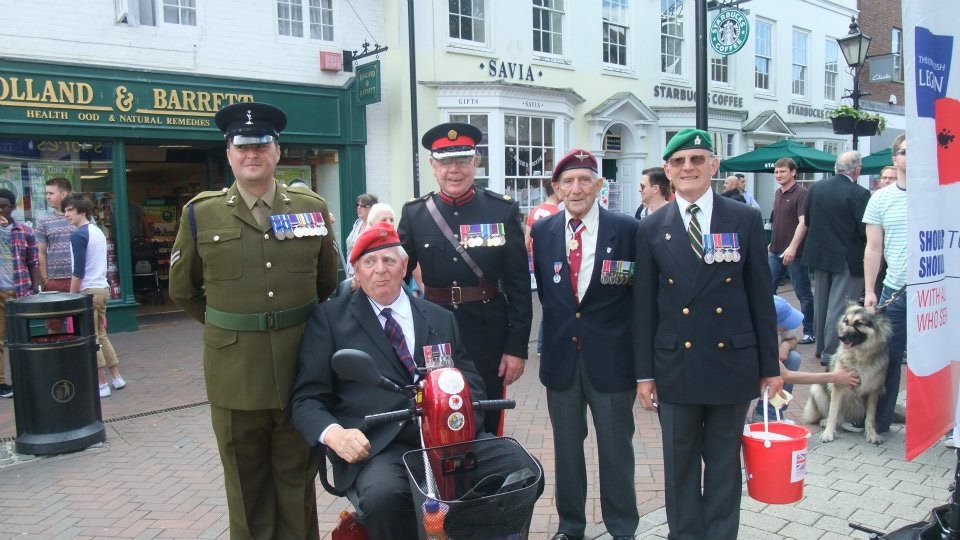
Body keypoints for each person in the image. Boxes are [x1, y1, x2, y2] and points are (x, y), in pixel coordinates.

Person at [168, 102, 338, 540]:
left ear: (277, 152)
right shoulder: (200, 213)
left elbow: (326, 282)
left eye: (261, 145)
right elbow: (183, 290)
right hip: (234, 374)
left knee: (297, 481)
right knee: (245, 487)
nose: (252, 154)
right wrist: (231, 327)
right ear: (229, 154)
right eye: (242, 146)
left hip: (298, 367)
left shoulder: (310, 207)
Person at [290, 222, 486, 539]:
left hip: (449, 439)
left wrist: (463, 421)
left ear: (404, 266)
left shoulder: (439, 317)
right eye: (370, 262)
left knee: (517, 472)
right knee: (385, 498)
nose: (380, 271)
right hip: (379, 447)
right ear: (355, 269)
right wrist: (335, 434)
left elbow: (471, 381)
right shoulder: (330, 319)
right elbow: (306, 399)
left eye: (389, 261)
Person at [633, 129, 782, 539]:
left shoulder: (745, 219)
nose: (688, 168)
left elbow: (760, 298)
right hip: (674, 366)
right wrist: (644, 374)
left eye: (698, 159)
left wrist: (770, 367)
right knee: (679, 467)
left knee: (722, 467)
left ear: (714, 165)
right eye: (679, 162)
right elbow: (643, 307)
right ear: (667, 170)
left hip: (731, 363)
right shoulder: (650, 227)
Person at [531, 148, 639, 540]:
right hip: (562, 360)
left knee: (616, 451)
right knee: (567, 452)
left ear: (598, 185)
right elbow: (548, 295)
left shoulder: (626, 230)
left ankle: (622, 527)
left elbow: (638, 299)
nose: (576, 189)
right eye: (567, 182)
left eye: (584, 180)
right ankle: (570, 526)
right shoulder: (542, 232)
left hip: (611, 361)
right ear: (557, 189)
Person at [398, 122, 532, 435]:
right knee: (437, 415)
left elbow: (518, 286)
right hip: (434, 333)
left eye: (461, 160)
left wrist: (516, 348)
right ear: (433, 166)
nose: (453, 170)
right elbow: (396, 273)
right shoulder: (415, 214)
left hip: (487, 333)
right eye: (444, 162)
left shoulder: (502, 211)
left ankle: (487, 480)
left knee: (486, 414)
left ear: (475, 162)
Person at [845, 135, 908, 435]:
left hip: (936, 292)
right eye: (905, 152)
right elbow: (873, 247)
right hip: (896, 292)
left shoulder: (941, 194)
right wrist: (870, 290)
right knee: (890, 358)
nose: (911, 157)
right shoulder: (881, 199)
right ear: (895, 159)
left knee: (942, 359)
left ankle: (946, 424)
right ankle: (880, 420)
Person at [801, 151, 870, 365]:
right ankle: (831, 352)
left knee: (821, 304)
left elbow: (809, 220)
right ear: (856, 170)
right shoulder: (859, 193)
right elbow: (864, 229)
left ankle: (821, 347)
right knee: (839, 307)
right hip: (848, 257)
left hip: (820, 254)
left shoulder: (816, 188)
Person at [750, 296, 860, 422]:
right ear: (768, 321)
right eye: (784, 324)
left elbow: (793, 340)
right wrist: (835, 377)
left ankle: (769, 414)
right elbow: (786, 375)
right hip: (740, 377)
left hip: (761, 366)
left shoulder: (777, 325)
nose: (787, 327)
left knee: (793, 358)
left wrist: (786, 345)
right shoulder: (756, 337)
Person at [63, 194, 125, 398]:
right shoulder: (97, 232)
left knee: (92, 339)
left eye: (70, 210)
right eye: (65, 210)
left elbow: (78, 271)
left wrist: (71, 296)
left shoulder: (78, 235)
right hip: (102, 288)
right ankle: (116, 377)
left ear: (82, 210)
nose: (66, 214)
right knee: (101, 335)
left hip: (87, 290)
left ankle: (101, 384)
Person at [768, 158, 815, 344]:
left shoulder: (802, 193)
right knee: (766, 290)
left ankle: (809, 330)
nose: (779, 175)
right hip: (775, 251)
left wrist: (793, 247)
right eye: (777, 172)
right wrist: (771, 243)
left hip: (795, 253)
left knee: (802, 292)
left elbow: (804, 223)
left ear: (793, 172)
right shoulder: (778, 193)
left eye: (783, 172)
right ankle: (772, 328)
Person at [0, 188, 41, 398]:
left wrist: (35, 286)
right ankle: (1, 383)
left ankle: (26, 377)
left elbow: (33, 261)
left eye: (5, 206)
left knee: (22, 337)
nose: (2, 210)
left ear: (13, 207)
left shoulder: (25, 231)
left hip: (19, 291)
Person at [526, 180, 561, 356]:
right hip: (555, 265)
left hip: (537, 263)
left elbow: (526, 242)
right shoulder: (559, 213)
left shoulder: (534, 211)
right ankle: (545, 344)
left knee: (546, 304)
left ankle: (541, 345)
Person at [36, 177, 75, 294]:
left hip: (81, 278)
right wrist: (45, 280)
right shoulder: (44, 221)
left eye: (51, 193)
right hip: (55, 281)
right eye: (46, 193)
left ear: (63, 194)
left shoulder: (82, 217)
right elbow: (40, 252)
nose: (47, 197)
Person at [345, 193, 378, 276]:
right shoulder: (357, 224)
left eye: (363, 206)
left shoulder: (374, 227)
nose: (359, 208)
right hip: (351, 270)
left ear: (372, 208)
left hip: (366, 272)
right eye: (358, 205)